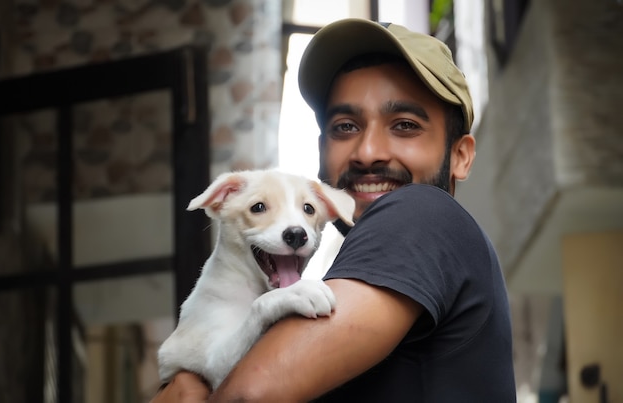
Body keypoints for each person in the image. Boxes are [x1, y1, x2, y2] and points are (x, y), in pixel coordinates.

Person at [152, 18, 516, 402]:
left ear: (460, 156)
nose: (367, 152)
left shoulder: (420, 211)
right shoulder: (348, 281)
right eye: (345, 127)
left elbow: (251, 393)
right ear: (321, 148)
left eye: (405, 125)